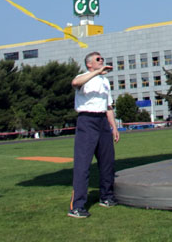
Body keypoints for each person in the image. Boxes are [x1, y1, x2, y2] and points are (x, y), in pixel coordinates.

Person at [68, 51, 120, 218]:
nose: (102, 61)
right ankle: (77, 206)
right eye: (98, 59)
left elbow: (108, 106)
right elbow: (75, 83)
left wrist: (114, 127)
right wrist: (97, 72)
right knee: (83, 164)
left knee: (107, 161)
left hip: (102, 121)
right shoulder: (83, 77)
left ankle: (106, 197)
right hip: (87, 120)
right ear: (89, 64)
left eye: (102, 59)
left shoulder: (105, 81)